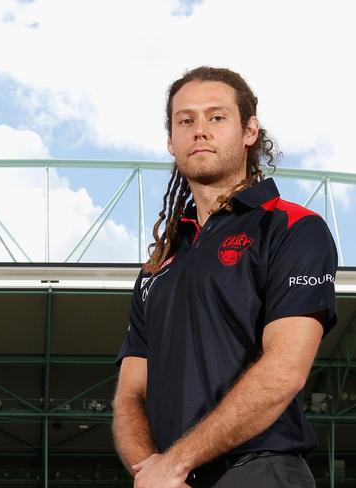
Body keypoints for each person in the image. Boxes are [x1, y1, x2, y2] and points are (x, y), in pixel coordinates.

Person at [113, 66, 337, 488]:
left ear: (250, 130)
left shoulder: (293, 227)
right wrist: (154, 470)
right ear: (170, 140)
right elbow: (130, 394)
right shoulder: (156, 267)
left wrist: (176, 461)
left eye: (216, 117)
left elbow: (286, 369)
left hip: (261, 471)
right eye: (186, 120)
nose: (200, 131)